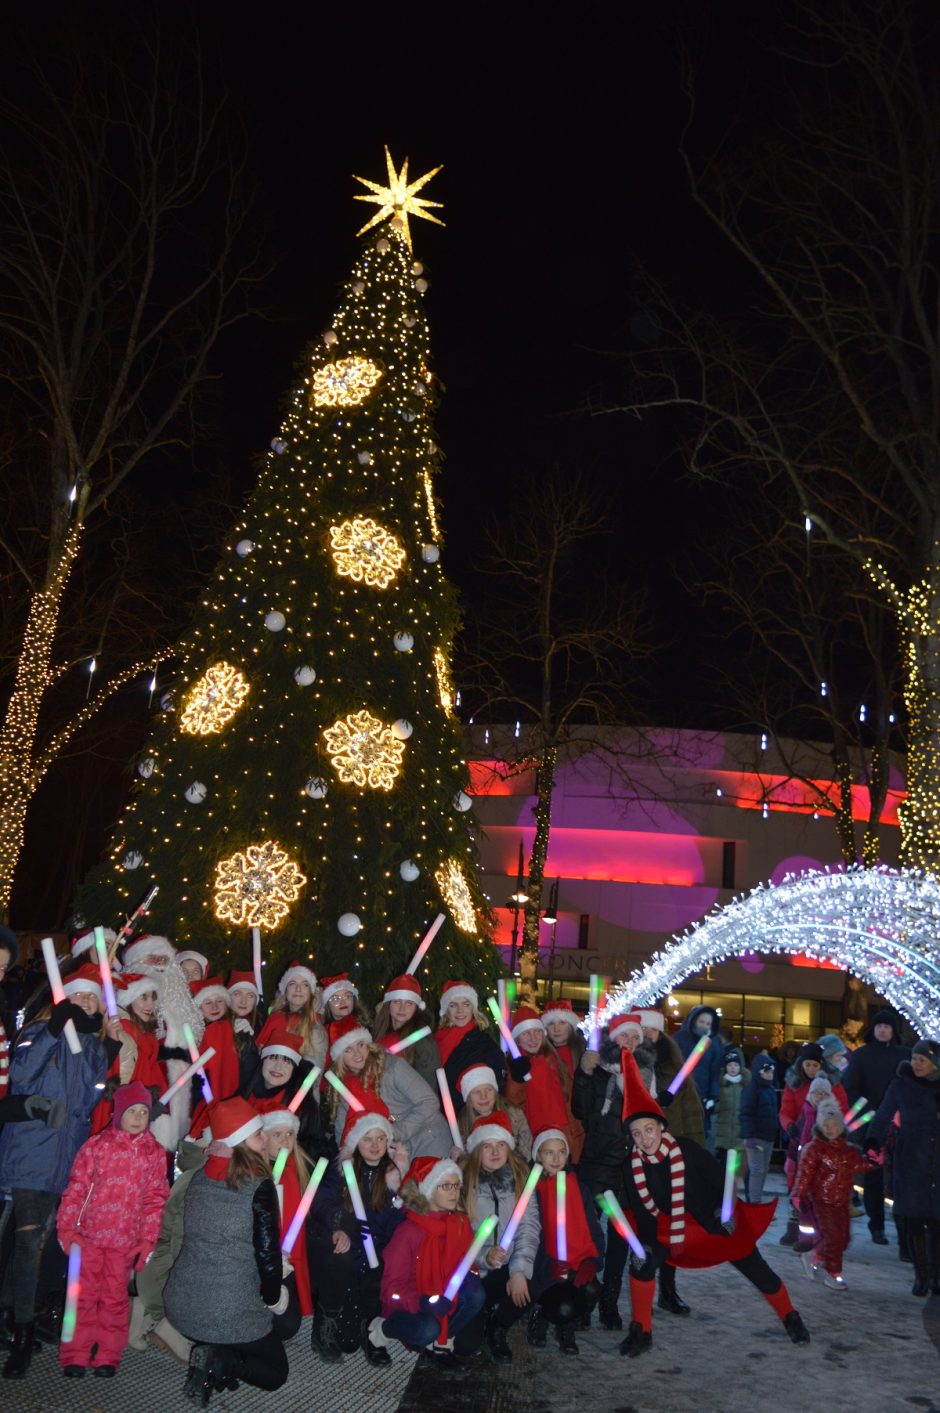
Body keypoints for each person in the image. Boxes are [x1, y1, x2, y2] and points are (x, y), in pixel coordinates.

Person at [616, 1050, 810, 1357]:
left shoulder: (688, 1150)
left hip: (714, 1218)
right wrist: (646, 1246)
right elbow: (643, 1214)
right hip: (672, 1225)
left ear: (662, 1127)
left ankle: (790, 1316)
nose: (644, 1138)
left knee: (757, 1269)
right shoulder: (632, 1166)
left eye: (649, 1129)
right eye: (636, 1133)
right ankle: (641, 1332)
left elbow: (723, 1183)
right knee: (640, 1262)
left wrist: (724, 1211)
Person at [0, 970, 112, 1378]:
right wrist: (51, 1030)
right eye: (77, 997)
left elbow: (85, 1098)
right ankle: (23, 1335)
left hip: (68, 1160)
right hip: (31, 1154)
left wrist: (93, 1047)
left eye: (91, 999)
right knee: (28, 1241)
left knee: (37, 1241)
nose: (84, 1004)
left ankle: (14, 1313)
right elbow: (20, 1077)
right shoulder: (36, 1031)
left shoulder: (93, 1049)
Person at [164, 1097, 289, 1403]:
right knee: (275, 1372)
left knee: (274, 1328)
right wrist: (274, 1297)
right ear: (240, 1141)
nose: (264, 1140)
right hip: (226, 1309)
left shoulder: (200, 1176)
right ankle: (222, 1361)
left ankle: (216, 1359)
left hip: (181, 1303)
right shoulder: (258, 1186)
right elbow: (268, 1257)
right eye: (258, 1134)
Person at [55, 1080, 169, 1376]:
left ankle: (107, 1354)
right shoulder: (97, 1146)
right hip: (88, 1238)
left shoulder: (153, 1153)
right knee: (81, 1297)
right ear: (119, 1113)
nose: (138, 1118)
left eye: (144, 1112)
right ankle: (75, 1354)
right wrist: (67, 1230)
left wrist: (147, 1242)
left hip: (124, 1242)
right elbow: (76, 1189)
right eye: (132, 1111)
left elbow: (155, 1200)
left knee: (114, 1300)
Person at [308, 1092, 406, 1364]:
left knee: (376, 1294)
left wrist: (399, 1203)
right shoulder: (341, 1170)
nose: (375, 1146)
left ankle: (372, 1332)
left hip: (380, 1258)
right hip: (349, 1255)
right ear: (355, 1141)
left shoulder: (397, 1175)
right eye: (367, 1139)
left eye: (380, 1138)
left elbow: (400, 1225)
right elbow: (320, 1202)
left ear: (389, 1141)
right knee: (347, 1343)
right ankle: (328, 1320)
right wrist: (339, 1223)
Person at [378, 1154, 485, 1366]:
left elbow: (465, 1263)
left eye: (457, 1186)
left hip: (443, 1298)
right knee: (427, 1329)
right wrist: (421, 1302)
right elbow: (390, 1290)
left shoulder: (458, 1223)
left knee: (476, 1295)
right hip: (411, 1302)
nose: (454, 1192)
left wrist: (473, 1274)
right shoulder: (408, 1232)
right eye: (446, 1186)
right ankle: (381, 1330)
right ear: (428, 1189)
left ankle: (442, 1343)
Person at [459, 1110, 541, 1364]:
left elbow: (529, 1227)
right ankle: (478, 1312)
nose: (495, 1152)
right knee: (466, 1346)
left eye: (501, 1145)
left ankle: (499, 1325)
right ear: (476, 1150)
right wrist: (484, 1256)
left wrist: (518, 1271)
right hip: (474, 1269)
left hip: (507, 1264)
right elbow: (457, 1237)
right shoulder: (462, 1182)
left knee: (531, 1285)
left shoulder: (521, 1179)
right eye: (487, 1146)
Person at [119, 935, 204, 1153]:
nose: (159, 963)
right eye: (152, 958)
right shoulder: (134, 1013)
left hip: (183, 1082)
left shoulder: (183, 1001)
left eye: (164, 958)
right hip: (150, 1083)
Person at [869, 1038, 940, 1296]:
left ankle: (936, 1275)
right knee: (913, 1217)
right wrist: (873, 1140)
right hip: (911, 1157)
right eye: (915, 1059)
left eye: (923, 1060)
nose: (917, 1064)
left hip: (937, 1160)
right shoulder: (901, 1085)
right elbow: (883, 1114)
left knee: (936, 1221)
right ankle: (921, 1275)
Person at [327, 1016, 452, 1160]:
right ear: (340, 1056)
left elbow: (429, 1101)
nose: (357, 1054)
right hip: (396, 1153)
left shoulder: (392, 1066)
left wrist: (396, 1132)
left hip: (428, 1139)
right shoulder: (345, 1089)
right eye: (348, 1050)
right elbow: (343, 1132)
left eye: (360, 1044)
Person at [129, 1138, 206, 1365]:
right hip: (163, 1267)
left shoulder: (196, 1170)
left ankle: (145, 1312)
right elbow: (177, 1240)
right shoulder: (202, 1177)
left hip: (157, 1262)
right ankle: (162, 1319)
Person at [790, 1099, 878, 1291]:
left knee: (843, 1238)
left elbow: (859, 1165)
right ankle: (833, 1274)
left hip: (842, 1201)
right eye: (826, 1125)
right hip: (822, 1201)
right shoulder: (814, 1149)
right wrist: (799, 1195)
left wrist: (875, 1160)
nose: (830, 1129)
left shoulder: (848, 1151)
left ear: (841, 1127)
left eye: (835, 1125)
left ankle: (815, 1255)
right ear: (820, 1126)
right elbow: (805, 1174)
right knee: (834, 1238)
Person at [528, 1129, 601, 1355]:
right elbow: (529, 1236)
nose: (557, 1159)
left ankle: (567, 1325)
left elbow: (595, 1230)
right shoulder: (532, 1191)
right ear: (538, 1156)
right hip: (546, 1268)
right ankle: (542, 1313)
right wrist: (547, 1264)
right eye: (549, 1153)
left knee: (592, 1290)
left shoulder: (579, 1189)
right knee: (564, 1307)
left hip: (577, 1262)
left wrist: (592, 1261)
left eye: (561, 1152)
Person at [842, 1008, 910, 1246]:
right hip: (872, 1123)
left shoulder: (906, 1055)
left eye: (887, 1027)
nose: (883, 1030)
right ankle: (877, 1225)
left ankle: (904, 1233)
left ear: (894, 1031)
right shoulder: (861, 1055)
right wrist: (870, 1110)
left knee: (902, 1179)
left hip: (901, 1124)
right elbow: (850, 1086)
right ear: (874, 1029)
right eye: (880, 1026)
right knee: (873, 1178)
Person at [778, 1042, 848, 1248]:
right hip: (799, 1141)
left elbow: (842, 1109)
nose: (810, 1069)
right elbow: (785, 1110)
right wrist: (790, 1126)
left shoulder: (834, 1085)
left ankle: (822, 1232)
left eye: (814, 1065)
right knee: (795, 1185)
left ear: (821, 1066)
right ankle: (795, 1227)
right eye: (807, 1065)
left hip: (826, 1142)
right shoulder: (794, 1083)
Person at [241, 1025, 333, 1163]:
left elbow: (315, 1150)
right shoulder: (245, 1093)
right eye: (272, 1058)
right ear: (263, 1060)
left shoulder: (305, 1106)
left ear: (293, 1069)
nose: (278, 1067)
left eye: (286, 1061)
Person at [504, 1006, 584, 1162]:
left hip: (568, 1136)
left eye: (537, 1032)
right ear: (517, 1038)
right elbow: (514, 1103)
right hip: (539, 1139)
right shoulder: (515, 1066)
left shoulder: (555, 1058)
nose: (533, 1038)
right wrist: (516, 1079)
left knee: (567, 1183)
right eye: (526, 1033)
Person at [258, 1108, 312, 1329]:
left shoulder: (297, 1169)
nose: (284, 1141)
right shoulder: (255, 1172)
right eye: (277, 1135)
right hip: (264, 1257)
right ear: (263, 1138)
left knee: (287, 1326)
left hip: (290, 1255)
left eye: (289, 1134)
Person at [637, 1008, 706, 1145]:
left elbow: (690, 1112)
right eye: (643, 1027)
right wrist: (656, 1102)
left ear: (660, 1034)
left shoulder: (673, 1065)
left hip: (670, 1145)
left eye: (654, 1029)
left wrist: (695, 1150)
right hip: (637, 1145)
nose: (648, 1033)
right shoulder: (623, 1064)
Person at [434, 980, 504, 1111]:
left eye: (466, 1004)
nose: (460, 1010)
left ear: (473, 1009)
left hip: (470, 1116)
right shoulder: (437, 1040)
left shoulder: (484, 1042)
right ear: (446, 1010)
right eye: (453, 1005)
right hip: (440, 1114)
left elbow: (496, 1085)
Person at [188, 975, 241, 1140]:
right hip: (202, 1097)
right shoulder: (194, 1034)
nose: (214, 1007)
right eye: (208, 1002)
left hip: (229, 1097)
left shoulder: (234, 1031)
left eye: (219, 1001)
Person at [255, 961, 327, 1072]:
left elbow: (314, 1071)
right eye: (292, 983)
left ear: (311, 992)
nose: (298, 989)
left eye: (305, 984)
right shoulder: (274, 1018)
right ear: (285, 990)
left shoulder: (315, 1025)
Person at [373, 974, 441, 1089]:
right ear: (388, 1005)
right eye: (397, 1002)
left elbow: (427, 1090)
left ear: (416, 1008)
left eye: (409, 1003)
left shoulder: (423, 1042)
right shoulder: (380, 1033)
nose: (402, 1009)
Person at [674, 1005, 724, 1152]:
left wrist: (712, 1097)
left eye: (708, 1023)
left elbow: (715, 1072)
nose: (704, 1026)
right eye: (701, 1021)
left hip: (701, 1097)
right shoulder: (679, 1038)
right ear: (694, 1020)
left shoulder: (714, 1043)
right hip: (679, 1094)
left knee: (698, 1136)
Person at [456, 1064, 532, 1160]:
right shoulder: (462, 1123)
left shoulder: (514, 1114)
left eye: (489, 1090)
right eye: (476, 1092)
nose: (483, 1096)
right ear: (467, 1097)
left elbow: (526, 1149)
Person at [740, 1056, 779, 1203]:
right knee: (757, 1170)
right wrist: (748, 1136)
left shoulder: (770, 1089)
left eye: (771, 1073)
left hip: (768, 1136)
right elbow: (746, 1113)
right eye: (766, 1072)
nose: (769, 1075)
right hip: (755, 1137)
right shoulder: (752, 1090)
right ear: (758, 1072)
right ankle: (754, 1202)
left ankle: (756, 1200)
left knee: (763, 1171)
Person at [227, 972, 262, 1089]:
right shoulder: (219, 1026)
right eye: (237, 994)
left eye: (250, 995)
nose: (244, 1001)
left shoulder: (261, 1026)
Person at [714, 1048, 748, 1163]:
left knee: (737, 1167)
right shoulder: (720, 1085)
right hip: (722, 1133)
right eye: (730, 1065)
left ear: (740, 1067)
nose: (733, 1068)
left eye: (735, 1065)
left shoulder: (745, 1086)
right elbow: (716, 1109)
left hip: (739, 1133)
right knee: (723, 1165)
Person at [541, 999, 585, 1080]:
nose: (556, 1029)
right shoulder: (541, 1054)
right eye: (551, 1024)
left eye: (562, 1023)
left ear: (571, 1026)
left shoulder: (582, 1053)